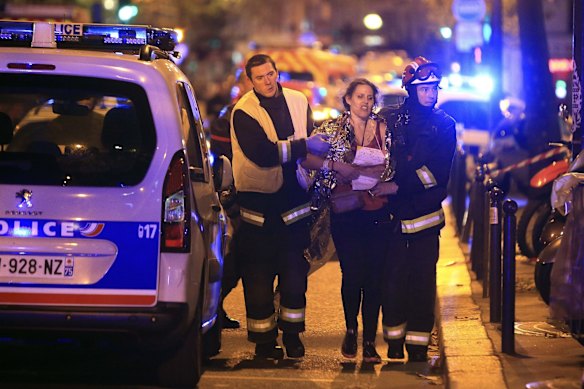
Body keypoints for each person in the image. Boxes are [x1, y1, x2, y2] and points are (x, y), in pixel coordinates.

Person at [230, 54, 329, 359]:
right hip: (258, 208)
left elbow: (307, 141)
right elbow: (262, 153)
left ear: (277, 73)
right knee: (258, 279)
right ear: (251, 81)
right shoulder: (243, 110)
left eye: (270, 74)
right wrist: (304, 146)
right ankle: (263, 343)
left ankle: (293, 336)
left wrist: (327, 163)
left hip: (294, 203)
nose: (267, 81)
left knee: (294, 277)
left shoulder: (299, 101)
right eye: (260, 77)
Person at [373, 56, 456, 362]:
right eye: (424, 89)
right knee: (391, 281)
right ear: (410, 89)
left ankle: (418, 346)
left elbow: (437, 175)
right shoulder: (389, 120)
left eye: (434, 87)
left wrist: (397, 185)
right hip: (392, 219)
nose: (431, 93)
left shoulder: (445, 126)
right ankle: (394, 341)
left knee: (422, 285)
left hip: (424, 220)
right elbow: (377, 160)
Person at [310, 78, 394, 363]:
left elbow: (395, 166)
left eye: (369, 97)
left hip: (378, 211)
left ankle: (369, 341)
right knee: (353, 273)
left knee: (374, 276)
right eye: (359, 96)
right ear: (347, 99)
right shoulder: (333, 129)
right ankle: (350, 329)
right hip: (346, 211)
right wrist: (336, 167)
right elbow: (309, 160)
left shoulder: (385, 128)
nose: (365, 102)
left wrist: (386, 180)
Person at [209, 69, 254, 330]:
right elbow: (225, 159)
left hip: (259, 195)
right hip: (234, 197)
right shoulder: (229, 116)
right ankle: (215, 307)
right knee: (233, 260)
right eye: (253, 79)